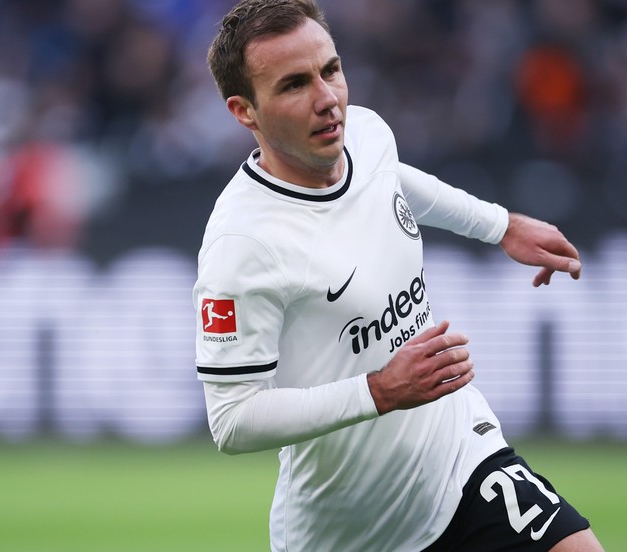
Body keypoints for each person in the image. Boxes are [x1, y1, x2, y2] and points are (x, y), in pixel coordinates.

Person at [194, 1, 604, 550]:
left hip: (461, 461)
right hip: (351, 530)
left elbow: (392, 179)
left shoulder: (364, 134)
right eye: (294, 85)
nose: (328, 100)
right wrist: (379, 390)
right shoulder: (243, 245)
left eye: (331, 70)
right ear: (244, 111)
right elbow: (233, 420)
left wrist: (500, 225)